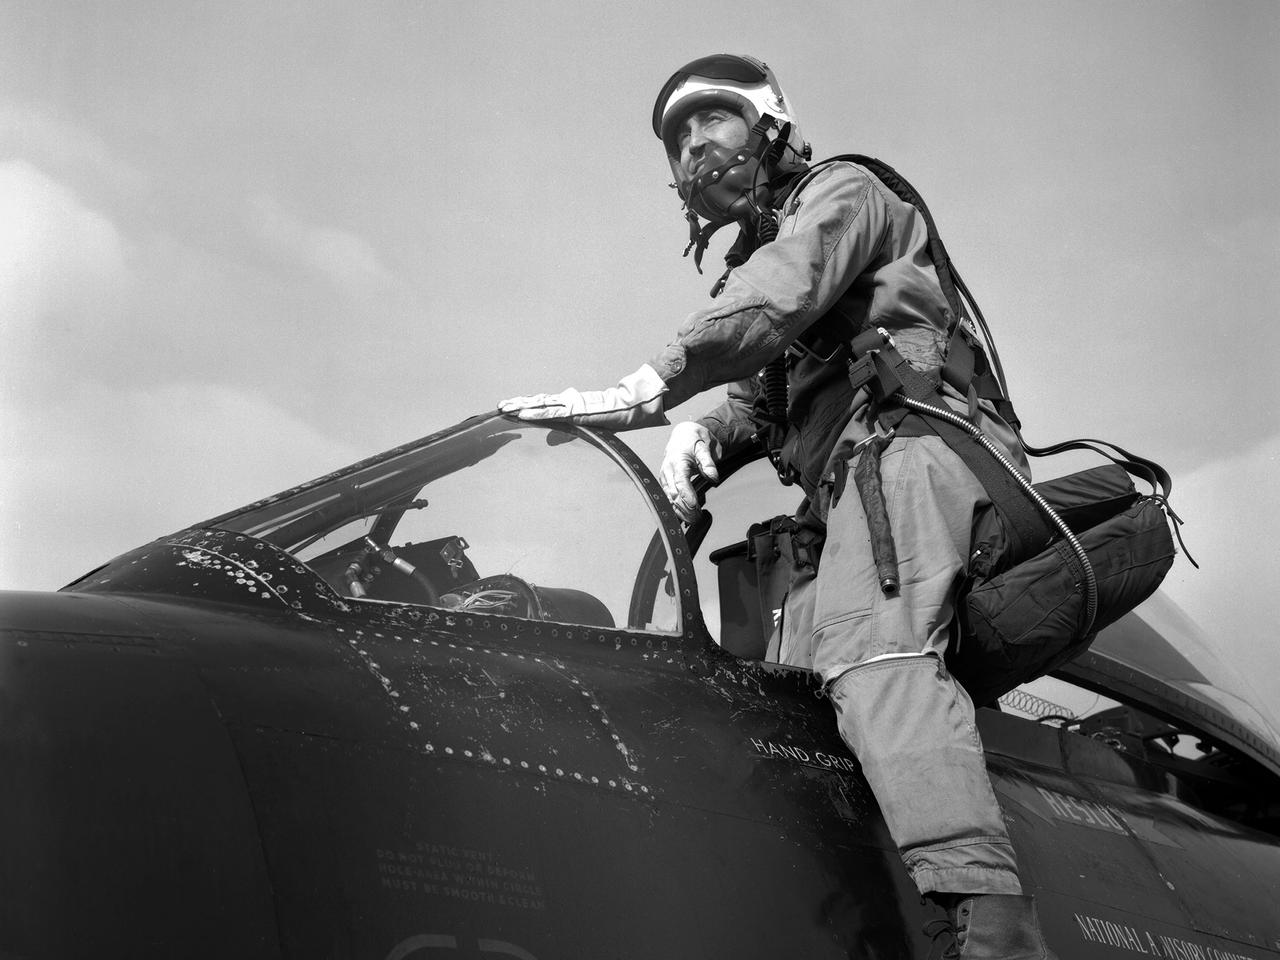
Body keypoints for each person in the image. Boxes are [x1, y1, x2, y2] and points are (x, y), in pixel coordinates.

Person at [500, 54, 1057, 959]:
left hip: (918, 453)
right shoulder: (772, 263)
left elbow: (780, 295)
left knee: (872, 650)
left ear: (766, 122)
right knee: (791, 703)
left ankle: (993, 927)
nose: (693, 148)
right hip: (848, 493)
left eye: (710, 122)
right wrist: (706, 442)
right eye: (679, 140)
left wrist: (657, 385)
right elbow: (766, 397)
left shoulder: (845, 193)